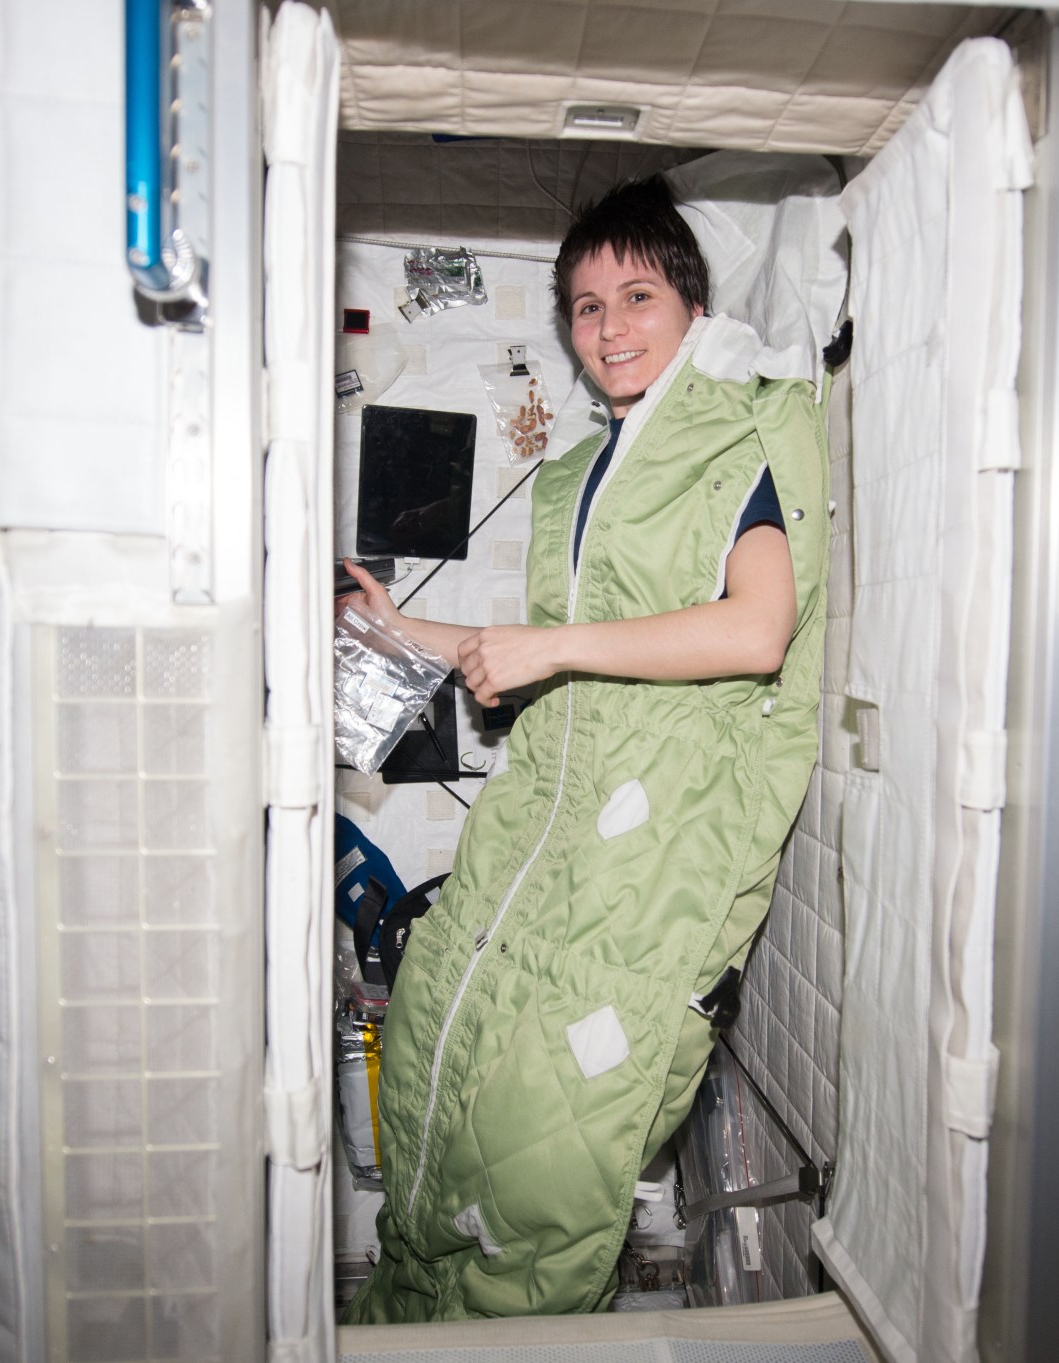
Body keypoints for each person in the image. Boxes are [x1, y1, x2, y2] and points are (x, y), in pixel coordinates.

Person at [343, 176, 829, 1322]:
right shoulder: (576, 475)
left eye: (636, 295)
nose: (608, 326)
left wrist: (543, 648)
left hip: (649, 855)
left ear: (692, 309)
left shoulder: (742, 427)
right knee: (429, 1068)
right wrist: (388, 622)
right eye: (583, 306)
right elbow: (523, 653)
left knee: (538, 1169)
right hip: (542, 838)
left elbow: (755, 631)